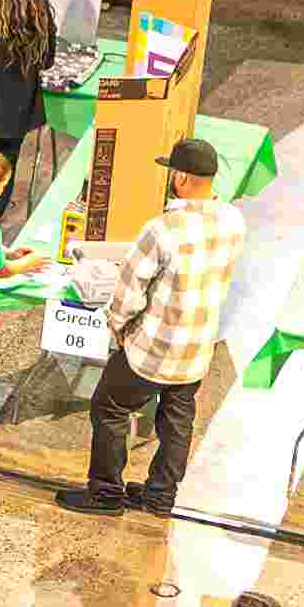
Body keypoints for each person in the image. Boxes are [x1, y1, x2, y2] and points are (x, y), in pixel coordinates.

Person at [87, 133, 250, 521]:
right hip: (196, 348)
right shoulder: (232, 220)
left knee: (109, 407)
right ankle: (160, 497)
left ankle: (106, 493)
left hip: (153, 348)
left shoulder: (162, 229)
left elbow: (128, 294)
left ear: (179, 177)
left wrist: (119, 328)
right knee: (177, 419)